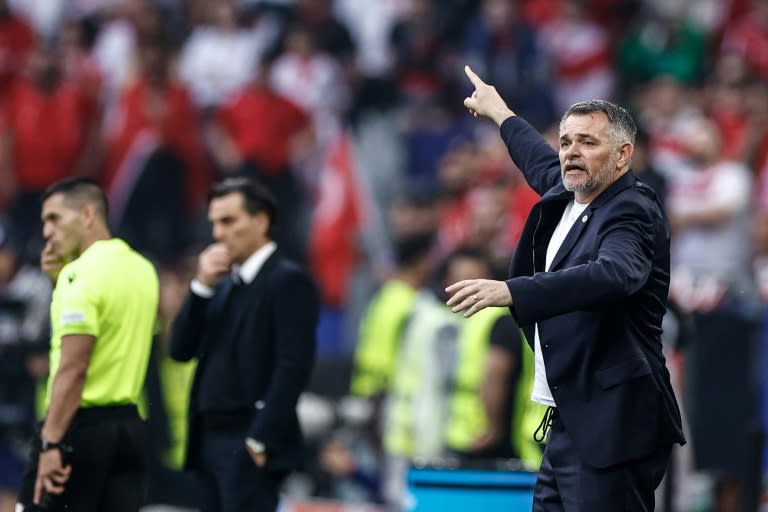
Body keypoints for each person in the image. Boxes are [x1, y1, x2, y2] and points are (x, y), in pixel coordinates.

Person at [446, 66, 685, 511]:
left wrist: (515, 291)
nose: (571, 153)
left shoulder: (631, 211)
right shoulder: (572, 192)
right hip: (573, 419)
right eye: (566, 142)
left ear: (622, 155)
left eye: (588, 142)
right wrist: (500, 113)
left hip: (614, 425)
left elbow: (616, 273)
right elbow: (537, 159)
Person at [169, 177, 319, 512]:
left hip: (247, 437)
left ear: (261, 220)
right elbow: (180, 350)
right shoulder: (222, 287)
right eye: (214, 223)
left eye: (228, 221)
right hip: (208, 438)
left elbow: (293, 365)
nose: (218, 234)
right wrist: (200, 287)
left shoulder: (287, 279)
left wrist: (260, 438)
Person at [16, 177, 160, 511]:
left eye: (55, 218)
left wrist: (51, 443)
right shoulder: (143, 270)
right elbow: (116, 338)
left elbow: (75, 367)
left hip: (77, 430)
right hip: (130, 428)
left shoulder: (79, 277)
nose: (47, 232)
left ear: (88, 215)